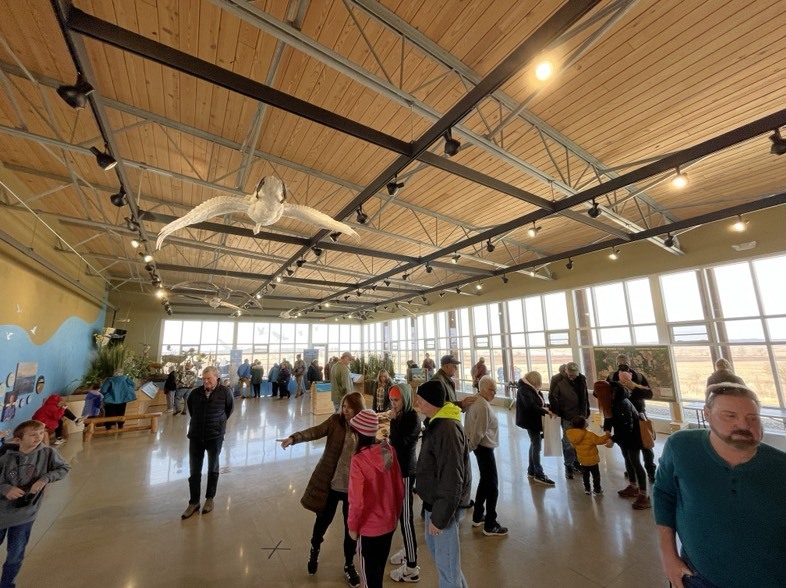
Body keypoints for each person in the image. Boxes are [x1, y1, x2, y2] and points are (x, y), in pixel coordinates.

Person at [653, 383, 786, 588]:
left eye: (752, 418)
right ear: (707, 414)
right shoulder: (681, 446)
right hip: (696, 576)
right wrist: (668, 556)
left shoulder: (779, 467)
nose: (743, 424)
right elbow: (663, 494)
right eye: (730, 416)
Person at [281, 392, 365, 588]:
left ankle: (348, 564)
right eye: (344, 406)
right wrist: (294, 438)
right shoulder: (335, 421)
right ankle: (315, 549)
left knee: (351, 528)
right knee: (323, 520)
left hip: (353, 487)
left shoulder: (363, 427)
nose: (345, 410)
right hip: (332, 483)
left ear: (358, 409)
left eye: (350, 407)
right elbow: (315, 431)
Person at [0, 420, 70, 587]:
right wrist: (5, 488)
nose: (38, 437)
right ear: (18, 440)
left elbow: (63, 468)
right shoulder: (4, 455)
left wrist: (45, 478)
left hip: (25, 514)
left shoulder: (48, 453)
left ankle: (7, 584)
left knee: (15, 554)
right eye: (32, 435)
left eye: (40, 433)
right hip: (1, 513)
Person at [415, 380, 470, 588]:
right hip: (434, 504)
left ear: (431, 401)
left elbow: (451, 477)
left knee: (448, 570)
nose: (418, 403)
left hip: (443, 508)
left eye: (420, 400)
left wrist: (439, 518)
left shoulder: (446, 429)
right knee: (446, 564)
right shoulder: (436, 423)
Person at [347, 409, 404, 588]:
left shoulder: (358, 460)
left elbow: (356, 501)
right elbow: (399, 487)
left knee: (369, 576)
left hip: (369, 528)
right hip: (389, 523)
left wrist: (352, 527)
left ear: (358, 434)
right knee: (378, 570)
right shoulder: (390, 450)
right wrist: (394, 515)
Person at [181, 366, 234, 519]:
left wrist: (218, 423)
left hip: (214, 436)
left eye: (208, 379)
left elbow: (229, 410)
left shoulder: (225, 392)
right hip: (196, 436)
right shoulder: (195, 394)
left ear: (217, 378)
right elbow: (191, 410)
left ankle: (209, 498)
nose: (205, 382)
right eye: (203, 379)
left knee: (213, 467)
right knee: (194, 470)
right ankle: (194, 502)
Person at [464, 375, 508, 536]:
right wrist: (471, 447)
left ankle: (477, 515)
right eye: (491, 390)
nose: (494, 393)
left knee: (485, 480)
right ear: (482, 389)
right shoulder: (482, 405)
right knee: (492, 486)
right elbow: (478, 431)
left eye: (495, 390)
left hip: (480, 447)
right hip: (483, 448)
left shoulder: (476, 400)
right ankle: (490, 523)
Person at [387, 384, 421, 583]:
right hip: (398, 470)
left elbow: (400, 443)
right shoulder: (400, 416)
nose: (393, 404)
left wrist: (392, 422)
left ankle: (411, 567)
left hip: (406, 473)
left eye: (396, 400)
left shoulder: (412, 418)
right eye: (391, 400)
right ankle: (408, 550)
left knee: (406, 518)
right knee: (401, 515)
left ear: (405, 400)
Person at [607, 353, 656, 482]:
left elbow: (649, 394)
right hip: (621, 416)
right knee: (626, 446)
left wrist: (634, 387)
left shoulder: (639, 377)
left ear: (630, 362)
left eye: (625, 361)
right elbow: (603, 393)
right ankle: (632, 469)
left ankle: (650, 470)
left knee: (646, 445)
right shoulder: (612, 376)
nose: (623, 364)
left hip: (639, 414)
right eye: (620, 362)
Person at [604, 382, 650, 510]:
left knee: (635, 462)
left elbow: (627, 427)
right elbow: (609, 417)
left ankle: (644, 494)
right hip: (624, 438)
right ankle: (633, 486)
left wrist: (613, 438)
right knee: (628, 461)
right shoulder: (613, 402)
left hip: (633, 438)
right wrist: (607, 429)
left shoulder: (622, 403)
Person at [548, 361, 589, 479]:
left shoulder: (581, 379)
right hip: (566, 416)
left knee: (580, 440)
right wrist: (558, 411)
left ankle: (577, 462)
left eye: (574, 375)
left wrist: (585, 413)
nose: (572, 377)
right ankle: (568, 465)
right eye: (570, 374)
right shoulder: (557, 379)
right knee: (568, 442)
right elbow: (552, 396)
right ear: (566, 371)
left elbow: (585, 396)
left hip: (580, 415)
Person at [515, 371, 555, 486]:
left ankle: (531, 470)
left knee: (534, 444)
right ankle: (538, 473)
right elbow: (531, 406)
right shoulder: (525, 390)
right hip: (530, 421)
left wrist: (546, 408)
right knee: (536, 445)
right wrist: (545, 411)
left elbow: (538, 403)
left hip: (533, 421)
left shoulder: (529, 389)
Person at [566, 416, 610, 496]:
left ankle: (587, 489)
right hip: (592, 461)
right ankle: (597, 489)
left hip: (582, 461)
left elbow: (573, 446)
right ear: (583, 425)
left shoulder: (571, 435)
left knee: (585, 475)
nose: (587, 421)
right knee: (596, 476)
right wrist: (607, 435)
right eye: (585, 421)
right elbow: (600, 440)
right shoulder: (589, 435)